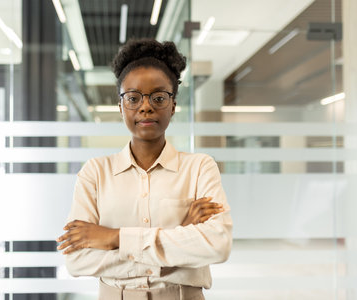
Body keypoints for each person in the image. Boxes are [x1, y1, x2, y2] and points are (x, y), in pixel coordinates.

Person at [56, 38, 232, 300]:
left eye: (159, 97)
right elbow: (77, 260)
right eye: (133, 98)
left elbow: (217, 245)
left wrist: (113, 238)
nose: (146, 106)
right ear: (120, 106)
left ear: (173, 106)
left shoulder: (199, 168)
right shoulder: (95, 173)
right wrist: (180, 237)